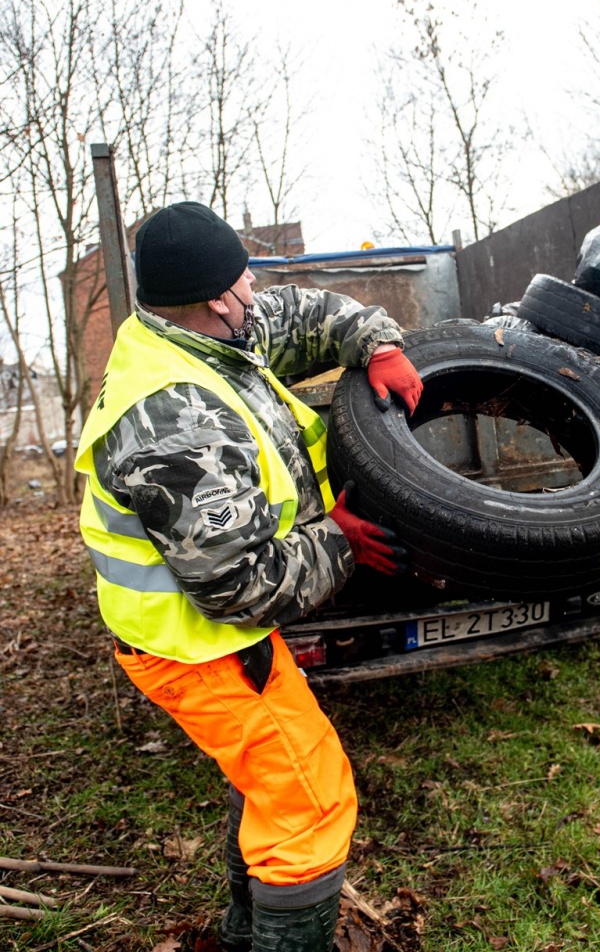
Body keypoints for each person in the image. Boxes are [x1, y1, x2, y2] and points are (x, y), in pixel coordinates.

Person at [74, 201, 423, 952]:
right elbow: (241, 583)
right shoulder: (175, 419)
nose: (254, 294)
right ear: (211, 302)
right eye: (242, 283)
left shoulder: (192, 337)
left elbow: (298, 317)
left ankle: (242, 936)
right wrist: (341, 542)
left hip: (215, 637)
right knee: (310, 803)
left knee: (269, 785)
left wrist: (375, 340)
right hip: (199, 648)